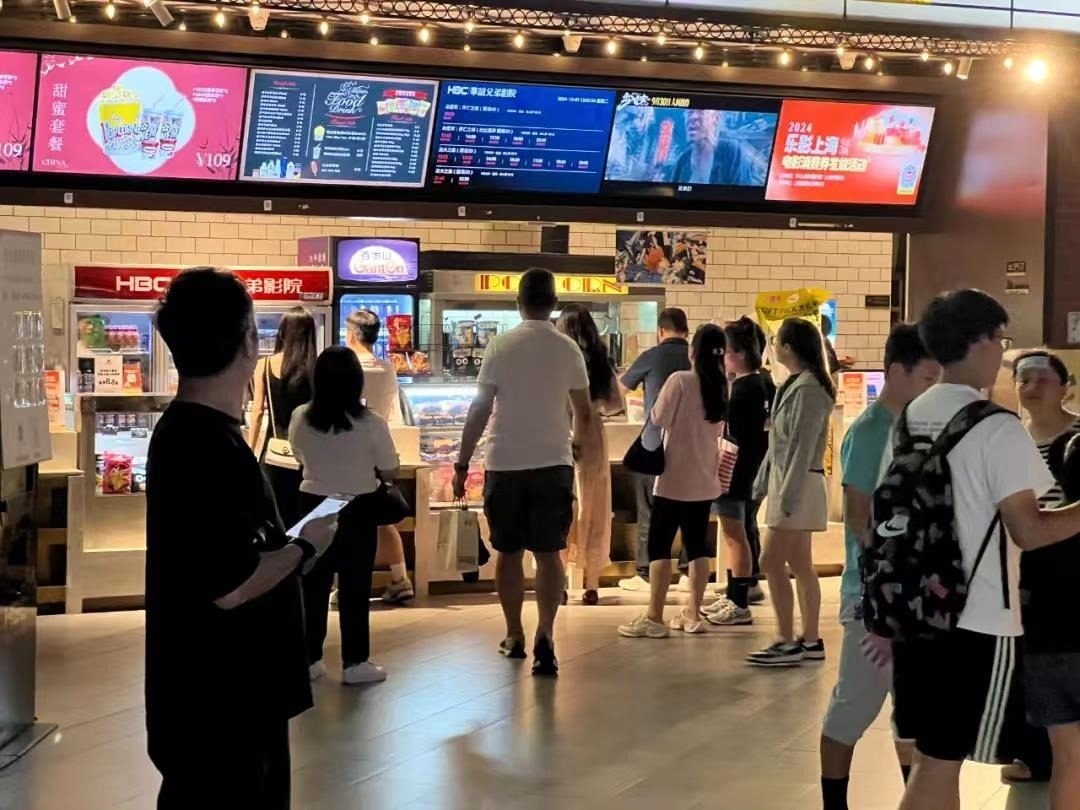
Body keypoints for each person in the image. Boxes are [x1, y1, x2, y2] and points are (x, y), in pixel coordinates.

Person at [146, 268, 332, 809]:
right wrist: (306, 545)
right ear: (249, 340)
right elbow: (229, 585)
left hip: (206, 700)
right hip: (227, 703)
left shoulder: (187, 433)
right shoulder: (206, 446)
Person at [887, 290, 1080, 810]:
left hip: (916, 607)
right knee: (941, 762)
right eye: (999, 339)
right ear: (977, 342)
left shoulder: (912, 415)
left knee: (932, 758)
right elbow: (1030, 530)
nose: (1001, 351)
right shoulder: (996, 426)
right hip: (978, 615)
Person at [818, 324, 940, 810]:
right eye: (927, 377)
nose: (933, 386)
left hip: (907, 592)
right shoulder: (871, 431)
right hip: (871, 595)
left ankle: (917, 798)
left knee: (909, 711)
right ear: (895, 372)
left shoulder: (916, 428)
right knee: (855, 703)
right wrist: (879, 586)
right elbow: (859, 518)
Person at [453, 267, 593, 676]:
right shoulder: (568, 348)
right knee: (549, 554)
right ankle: (545, 634)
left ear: (518, 303)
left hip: (505, 463)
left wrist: (462, 462)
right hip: (553, 463)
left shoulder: (500, 346)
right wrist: (577, 447)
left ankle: (514, 633)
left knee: (509, 553)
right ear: (553, 303)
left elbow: (480, 408)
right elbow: (584, 411)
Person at [289, 345, 399, 686]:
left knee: (313, 582)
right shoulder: (371, 423)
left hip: (314, 503)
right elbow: (390, 467)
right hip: (358, 505)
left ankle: (310, 659)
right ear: (356, 381)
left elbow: (297, 453)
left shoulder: (301, 416)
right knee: (355, 584)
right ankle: (355, 662)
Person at [618, 324, 729, 638]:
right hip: (705, 477)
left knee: (659, 546)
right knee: (697, 547)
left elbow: (657, 418)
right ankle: (692, 614)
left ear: (694, 351)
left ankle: (654, 617)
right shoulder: (722, 385)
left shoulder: (680, 380)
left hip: (673, 477)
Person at [1001, 351, 1080, 787]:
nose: (1031, 386)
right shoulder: (1010, 438)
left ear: (1065, 387)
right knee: (1027, 660)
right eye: (1023, 379)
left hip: (1070, 566)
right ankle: (1036, 754)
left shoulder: (1078, 438)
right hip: (1020, 565)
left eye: (1042, 379)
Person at [747, 317, 835, 666]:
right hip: (792, 484)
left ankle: (786, 639)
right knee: (800, 563)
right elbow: (780, 443)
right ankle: (809, 639)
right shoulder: (793, 384)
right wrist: (763, 482)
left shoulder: (809, 389)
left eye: (776, 341)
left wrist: (784, 496)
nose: (772, 347)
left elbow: (802, 445)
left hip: (798, 486)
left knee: (770, 560)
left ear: (788, 348)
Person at [701, 316, 776, 626]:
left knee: (735, 535)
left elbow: (732, 432)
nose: (723, 357)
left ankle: (739, 601)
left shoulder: (744, 389)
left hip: (735, 471)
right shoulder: (765, 382)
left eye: (726, 351)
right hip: (751, 469)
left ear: (740, 354)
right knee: (737, 533)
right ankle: (735, 593)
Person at [617, 307, 692, 593]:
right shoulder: (696, 357)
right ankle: (688, 571)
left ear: (660, 331)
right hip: (692, 447)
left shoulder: (651, 356)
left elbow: (619, 391)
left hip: (655, 444)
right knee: (690, 510)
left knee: (649, 508)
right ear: (686, 331)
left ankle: (645, 572)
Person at [557, 304, 625, 605]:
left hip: (559, 430)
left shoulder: (555, 360)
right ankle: (592, 584)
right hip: (593, 436)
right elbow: (615, 404)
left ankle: (559, 581)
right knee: (594, 505)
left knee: (562, 506)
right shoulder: (600, 360)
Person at [344, 309, 413, 604]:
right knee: (382, 519)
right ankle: (400, 579)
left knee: (346, 520)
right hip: (377, 454)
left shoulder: (346, 368)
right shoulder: (387, 368)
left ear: (351, 335)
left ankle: (346, 583)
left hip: (347, 454)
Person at [247, 306, 316, 529]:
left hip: (274, 451)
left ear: (283, 332)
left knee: (274, 517)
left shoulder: (264, 365)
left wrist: (250, 450)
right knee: (304, 517)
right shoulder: (316, 367)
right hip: (309, 455)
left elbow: (257, 412)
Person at [670, 109, 764, 187]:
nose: (693, 117)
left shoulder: (732, 152)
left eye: (701, 111)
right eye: (689, 112)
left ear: (716, 118)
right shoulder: (682, 160)